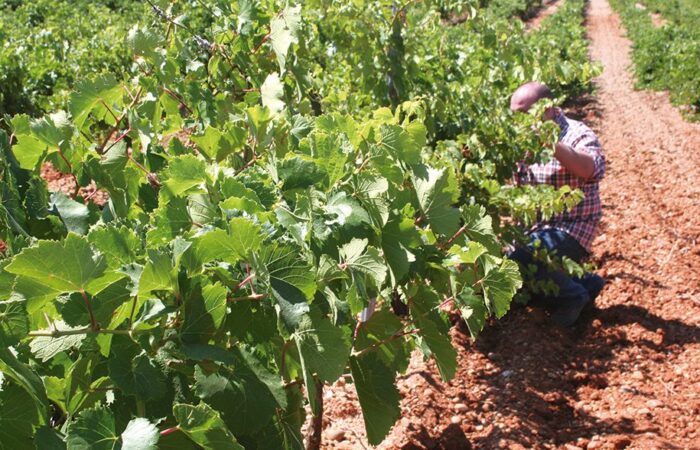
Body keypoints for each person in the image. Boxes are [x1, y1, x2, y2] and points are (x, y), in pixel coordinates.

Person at [508, 81, 606, 327]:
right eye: (515, 116)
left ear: (548, 109)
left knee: (522, 259)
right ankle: (585, 283)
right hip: (535, 227)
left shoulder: (577, 134)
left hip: (572, 226)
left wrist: (549, 142)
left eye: (525, 115)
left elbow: (590, 169)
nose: (518, 122)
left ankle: (573, 297)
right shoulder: (519, 139)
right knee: (508, 272)